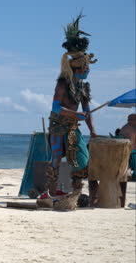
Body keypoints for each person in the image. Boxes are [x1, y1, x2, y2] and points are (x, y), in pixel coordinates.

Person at [45, 14, 98, 200]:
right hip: (58, 126)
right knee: (57, 156)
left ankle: (76, 191)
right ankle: (51, 191)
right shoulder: (62, 84)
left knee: (78, 159)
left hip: (73, 127)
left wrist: (93, 131)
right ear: (75, 69)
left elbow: (87, 111)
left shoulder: (83, 87)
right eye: (82, 69)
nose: (85, 72)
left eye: (86, 69)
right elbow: (55, 107)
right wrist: (76, 115)